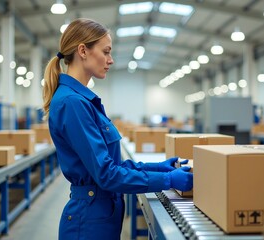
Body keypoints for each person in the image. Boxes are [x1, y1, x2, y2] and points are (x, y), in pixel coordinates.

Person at [42, 18, 193, 240]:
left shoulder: (83, 101)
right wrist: (168, 181)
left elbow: (113, 165)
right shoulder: (72, 103)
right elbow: (107, 175)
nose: (110, 60)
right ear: (83, 50)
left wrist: (161, 168)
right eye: (106, 52)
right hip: (89, 222)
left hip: (101, 213)